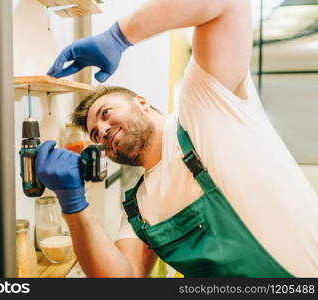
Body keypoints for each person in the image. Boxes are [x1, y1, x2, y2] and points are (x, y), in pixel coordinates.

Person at [36, 0, 318, 277]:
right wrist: (72, 204)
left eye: (105, 113)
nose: (103, 130)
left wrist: (117, 37)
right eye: (95, 134)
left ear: (142, 102)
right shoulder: (139, 209)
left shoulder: (204, 109)